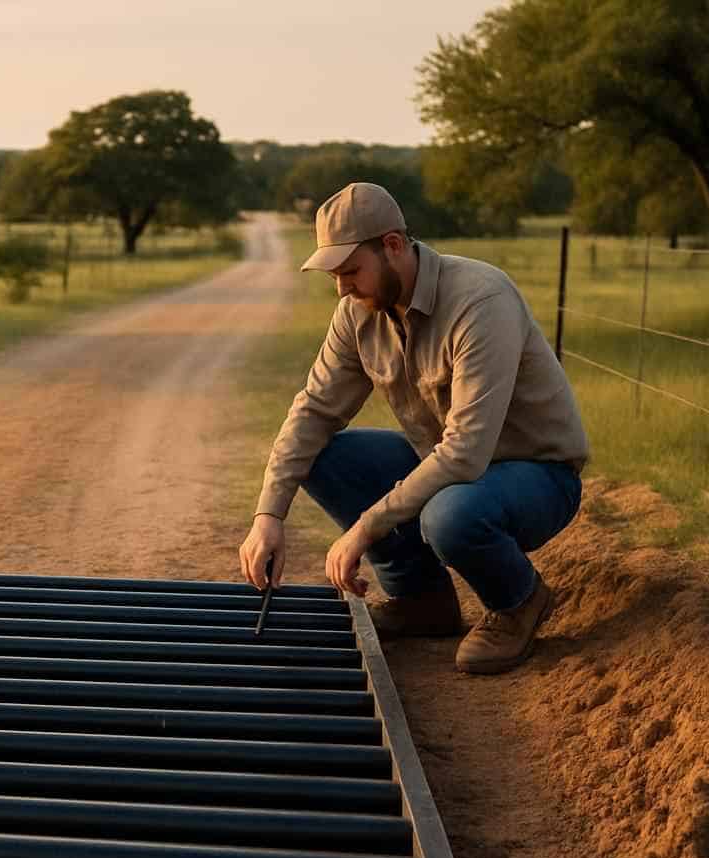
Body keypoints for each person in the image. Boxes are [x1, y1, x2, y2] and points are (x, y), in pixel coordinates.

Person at [238, 182, 590, 674]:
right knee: (322, 454)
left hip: (534, 474)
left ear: (394, 246)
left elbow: (465, 452)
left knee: (448, 516)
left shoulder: (480, 301)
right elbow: (314, 409)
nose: (341, 288)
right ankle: (422, 600)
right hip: (448, 466)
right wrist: (268, 516)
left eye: (350, 271)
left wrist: (365, 527)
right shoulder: (357, 312)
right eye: (334, 274)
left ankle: (517, 604)